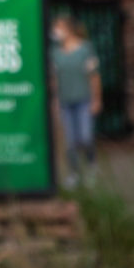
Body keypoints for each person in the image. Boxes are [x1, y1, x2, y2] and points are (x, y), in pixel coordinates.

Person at [48, 15, 101, 186]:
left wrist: (96, 99)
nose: (56, 32)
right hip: (65, 102)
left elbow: (93, 76)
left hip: (83, 101)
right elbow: (54, 79)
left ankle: (92, 167)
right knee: (70, 141)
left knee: (85, 137)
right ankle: (74, 174)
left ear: (68, 29)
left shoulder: (85, 49)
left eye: (59, 27)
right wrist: (55, 100)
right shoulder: (55, 52)